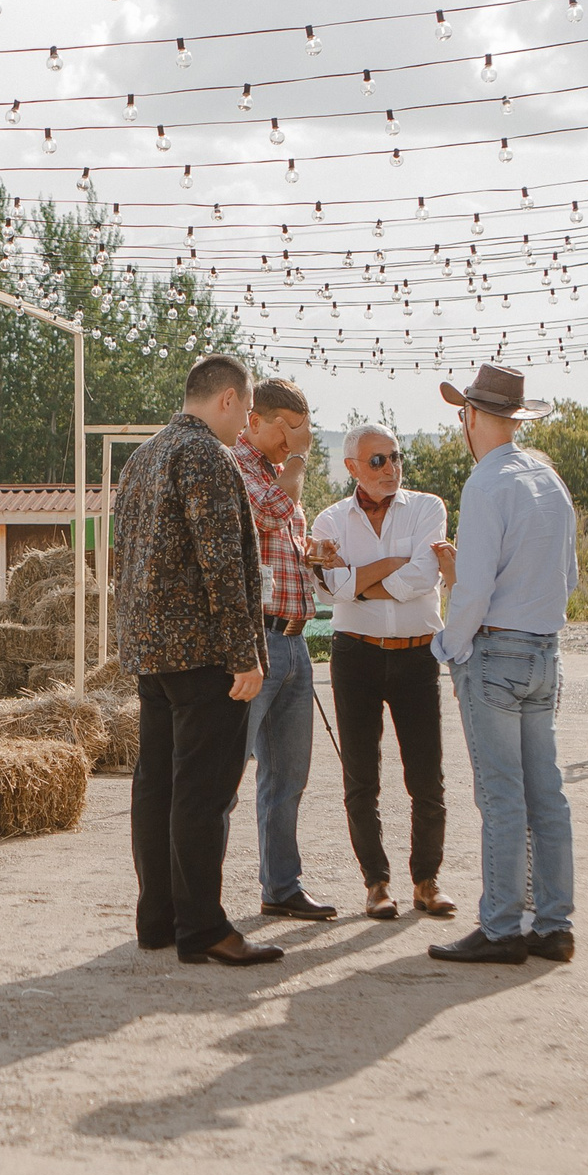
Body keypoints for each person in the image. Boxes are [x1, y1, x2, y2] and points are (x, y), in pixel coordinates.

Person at [113, 353, 285, 966]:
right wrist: (245, 655)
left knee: (155, 785)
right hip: (204, 653)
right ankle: (205, 927)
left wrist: (132, 641)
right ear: (230, 399)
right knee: (202, 792)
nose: (246, 427)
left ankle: (158, 918)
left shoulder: (143, 457)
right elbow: (221, 565)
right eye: (247, 412)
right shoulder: (207, 457)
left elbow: (122, 561)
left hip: (150, 653)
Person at [424, 364, 581, 966]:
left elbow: (474, 589)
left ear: (469, 418)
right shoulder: (548, 478)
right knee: (548, 793)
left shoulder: (485, 485)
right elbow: (566, 577)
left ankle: (500, 927)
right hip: (545, 649)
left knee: (501, 795)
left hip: (495, 651)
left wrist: (449, 647)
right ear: (512, 420)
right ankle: (553, 923)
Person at [311, 425, 459, 921]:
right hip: (356, 656)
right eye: (377, 461)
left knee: (426, 776)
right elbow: (330, 590)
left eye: (396, 457)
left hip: (417, 656)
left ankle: (426, 880)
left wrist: (359, 580)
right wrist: (387, 567)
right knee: (361, 777)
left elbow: (424, 576)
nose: (391, 468)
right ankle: (376, 884)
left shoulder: (427, 507)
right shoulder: (329, 520)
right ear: (351, 466)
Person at [222, 377, 343, 922]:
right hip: (258, 643)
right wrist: (295, 464)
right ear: (260, 420)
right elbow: (270, 512)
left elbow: (276, 535)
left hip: (295, 644)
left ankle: (281, 886)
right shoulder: (237, 466)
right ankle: (203, 899)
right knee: (225, 777)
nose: (297, 444)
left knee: (288, 777)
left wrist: (311, 551)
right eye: (291, 431)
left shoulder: (274, 475)